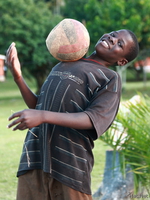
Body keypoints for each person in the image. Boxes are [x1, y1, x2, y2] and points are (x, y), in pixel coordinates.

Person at [6, 29, 139, 200]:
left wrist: (43, 116)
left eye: (120, 44)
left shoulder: (109, 78)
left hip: (70, 168)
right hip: (34, 160)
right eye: (113, 34)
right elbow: (39, 106)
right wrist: (18, 77)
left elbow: (93, 119)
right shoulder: (62, 63)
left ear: (121, 61)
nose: (112, 39)